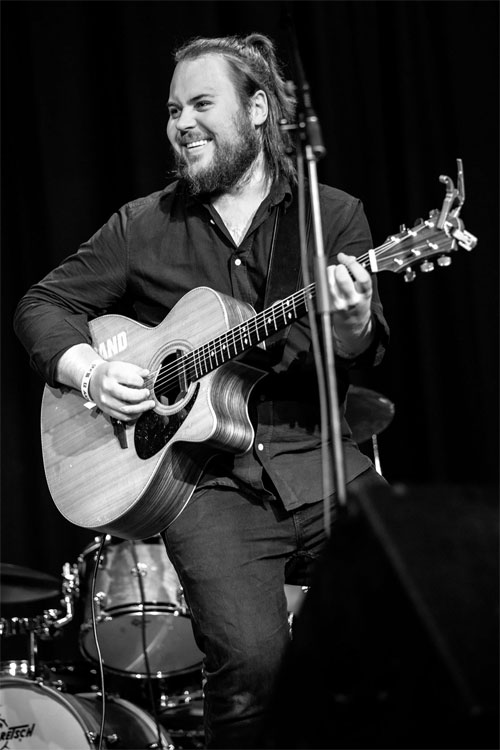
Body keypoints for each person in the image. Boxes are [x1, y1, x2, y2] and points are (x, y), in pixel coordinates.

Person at [14, 33, 389, 749]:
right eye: (172, 109)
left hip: (318, 456)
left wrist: (352, 321)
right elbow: (41, 305)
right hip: (206, 486)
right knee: (250, 673)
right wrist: (91, 372)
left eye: (201, 104)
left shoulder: (330, 214)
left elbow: (361, 350)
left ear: (258, 109)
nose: (181, 122)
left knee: (420, 611)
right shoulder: (143, 225)